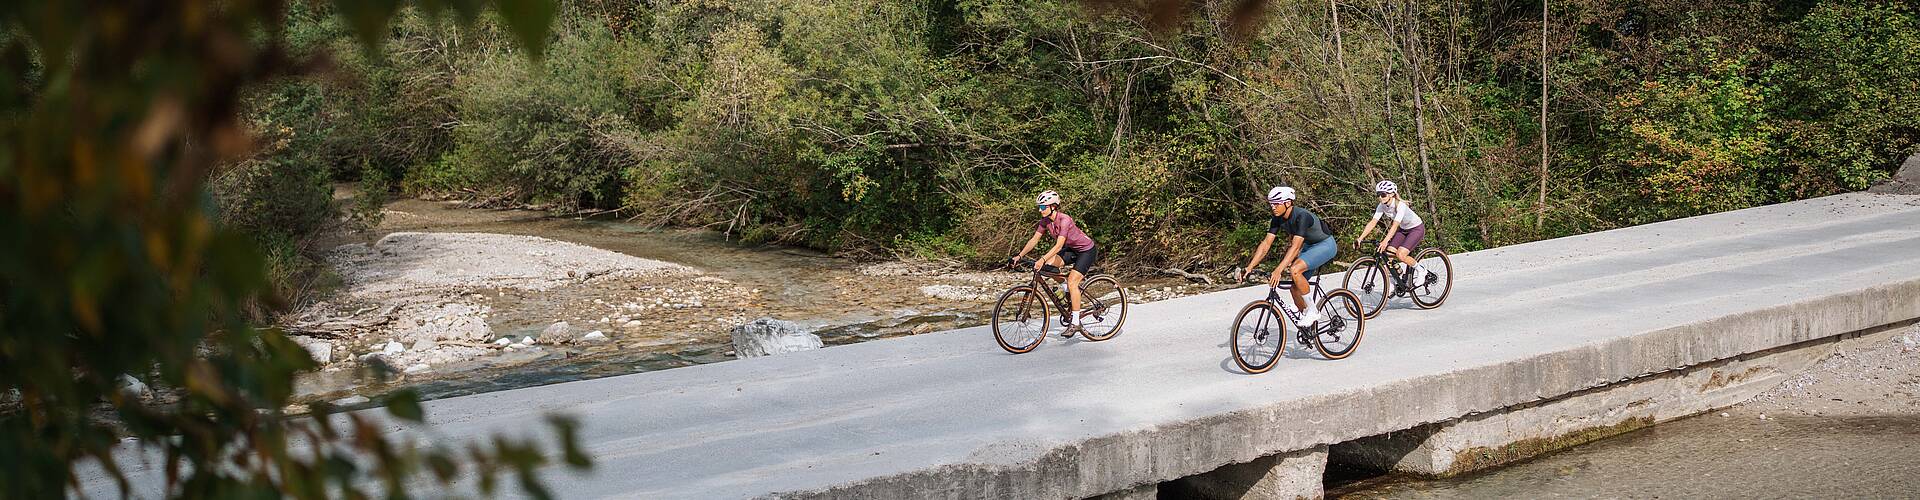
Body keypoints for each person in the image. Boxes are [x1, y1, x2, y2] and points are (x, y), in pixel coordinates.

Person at [1235, 186, 1338, 328]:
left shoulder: (1302, 216)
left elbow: (1295, 247)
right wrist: (1249, 267)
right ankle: (1308, 328)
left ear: (1288, 203)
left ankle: (1313, 311)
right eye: (1271, 204)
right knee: (1294, 289)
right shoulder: (1277, 219)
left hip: (1325, 245)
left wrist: (1278, 270)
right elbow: (1266, 244)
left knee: (1295, 270)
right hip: (1309, 246)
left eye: (1276, 203)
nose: (1273, 207)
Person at [1011, 190, 1099, 335]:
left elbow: (1058, 246)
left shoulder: (1065, 220)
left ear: (1053, 206)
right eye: (1039, 207)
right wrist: (1019, 256)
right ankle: (1065, 289)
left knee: (1073, 282)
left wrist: (1042, 258)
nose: (1040, 210)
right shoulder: (1045, 221)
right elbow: (1034, 240)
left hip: (1086, 251)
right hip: (1071, 249)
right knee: (1049, 267)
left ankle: (1075, 322)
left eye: (1043, 207)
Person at [1354, 180, 1435, 289]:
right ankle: (1393, 282)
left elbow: (1394, 226)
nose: (1380, 197)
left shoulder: (1400, 206)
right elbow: (1373, 222)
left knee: (1401, 255)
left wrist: (1385, 241)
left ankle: (1422, 271)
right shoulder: (1382, 205)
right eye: (1378, 194)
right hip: (1403, 229)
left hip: (1416, 229)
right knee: (1388, 257)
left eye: (1383, 195)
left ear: (1391, 194)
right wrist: (1360, 238)